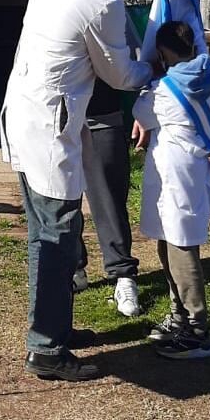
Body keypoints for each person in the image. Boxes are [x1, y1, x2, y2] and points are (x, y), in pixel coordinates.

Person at [1, 0, 159, 382]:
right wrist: (155, 66)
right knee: (57, 236)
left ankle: (54, 329)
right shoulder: (103, 2)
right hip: (49, 125)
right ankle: (47, 350)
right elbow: (120, 76)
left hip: (23, 112)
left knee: (45, 233)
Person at [132, 20, 210, 359]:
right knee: (170, 239)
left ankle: (197, 332)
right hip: (191, 167)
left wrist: (150, 77)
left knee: (180, 245)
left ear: (163, 52)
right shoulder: (208, 71)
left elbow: (141, 113)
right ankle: (180, 317)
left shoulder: (163, 90)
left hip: (174, 170)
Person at [72, 28, 144, 318]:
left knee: (110, 201)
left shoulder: (111, 11)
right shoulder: (50, 8)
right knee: (62, 200)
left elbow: (139, 59)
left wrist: (145, 108)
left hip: (103, 116)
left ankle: (123, 275)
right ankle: (73, 267)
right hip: (61, 118)